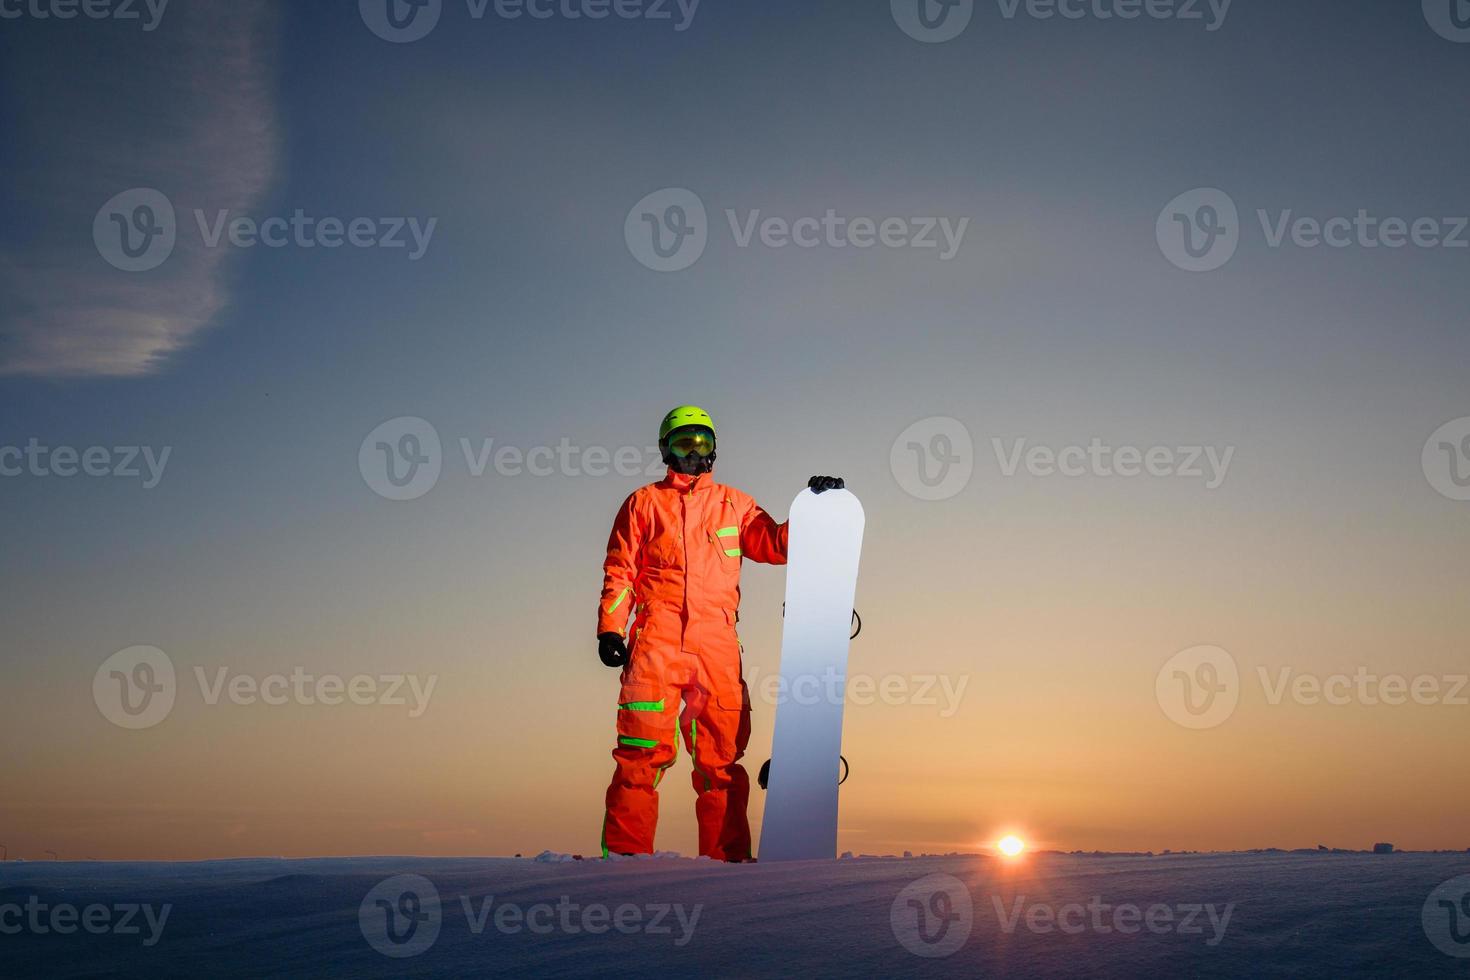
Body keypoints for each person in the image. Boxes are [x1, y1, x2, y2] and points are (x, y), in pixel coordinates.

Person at [595, 405, 844, 861]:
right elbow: (620, 571)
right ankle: (625, 863)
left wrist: (815, 511)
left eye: (702, 442)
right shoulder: (643, 503)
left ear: (714, 449)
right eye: (683, 443)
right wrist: (611, 629)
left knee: (721, 763)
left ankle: (727, 862)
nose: (693, 452)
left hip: (717, 648)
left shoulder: (735, 504)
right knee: (638, 755)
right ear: (665, 450)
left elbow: (773, 544)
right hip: (656, 644)